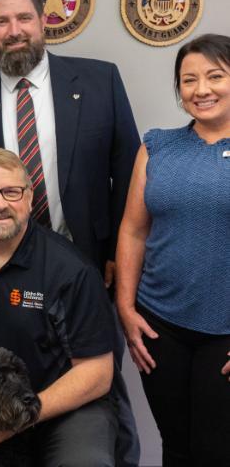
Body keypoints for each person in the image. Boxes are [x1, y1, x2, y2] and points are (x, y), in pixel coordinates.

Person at [0, 0, 140, 464]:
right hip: (0, 274)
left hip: (84, 269)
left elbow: (129, 177)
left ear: (43, 21)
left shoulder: (97, 82)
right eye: (2, 21)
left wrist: (116, 255)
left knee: (101, 395)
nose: (14, 31)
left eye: (24, 18)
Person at [0, 149, 117, 466]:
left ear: (29, 198)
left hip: (64, 409)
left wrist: (17, 420)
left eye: (11, 192)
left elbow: (97, 372)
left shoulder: (71, 269)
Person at [115, 33, 230, 466]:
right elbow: (133, 231)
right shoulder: (157, 147)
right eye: (189, 80)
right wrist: (126, 309)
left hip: (225, 331)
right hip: (160, 326)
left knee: (217, 451)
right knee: (177, 447)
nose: (202, 90)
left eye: (215, 76)